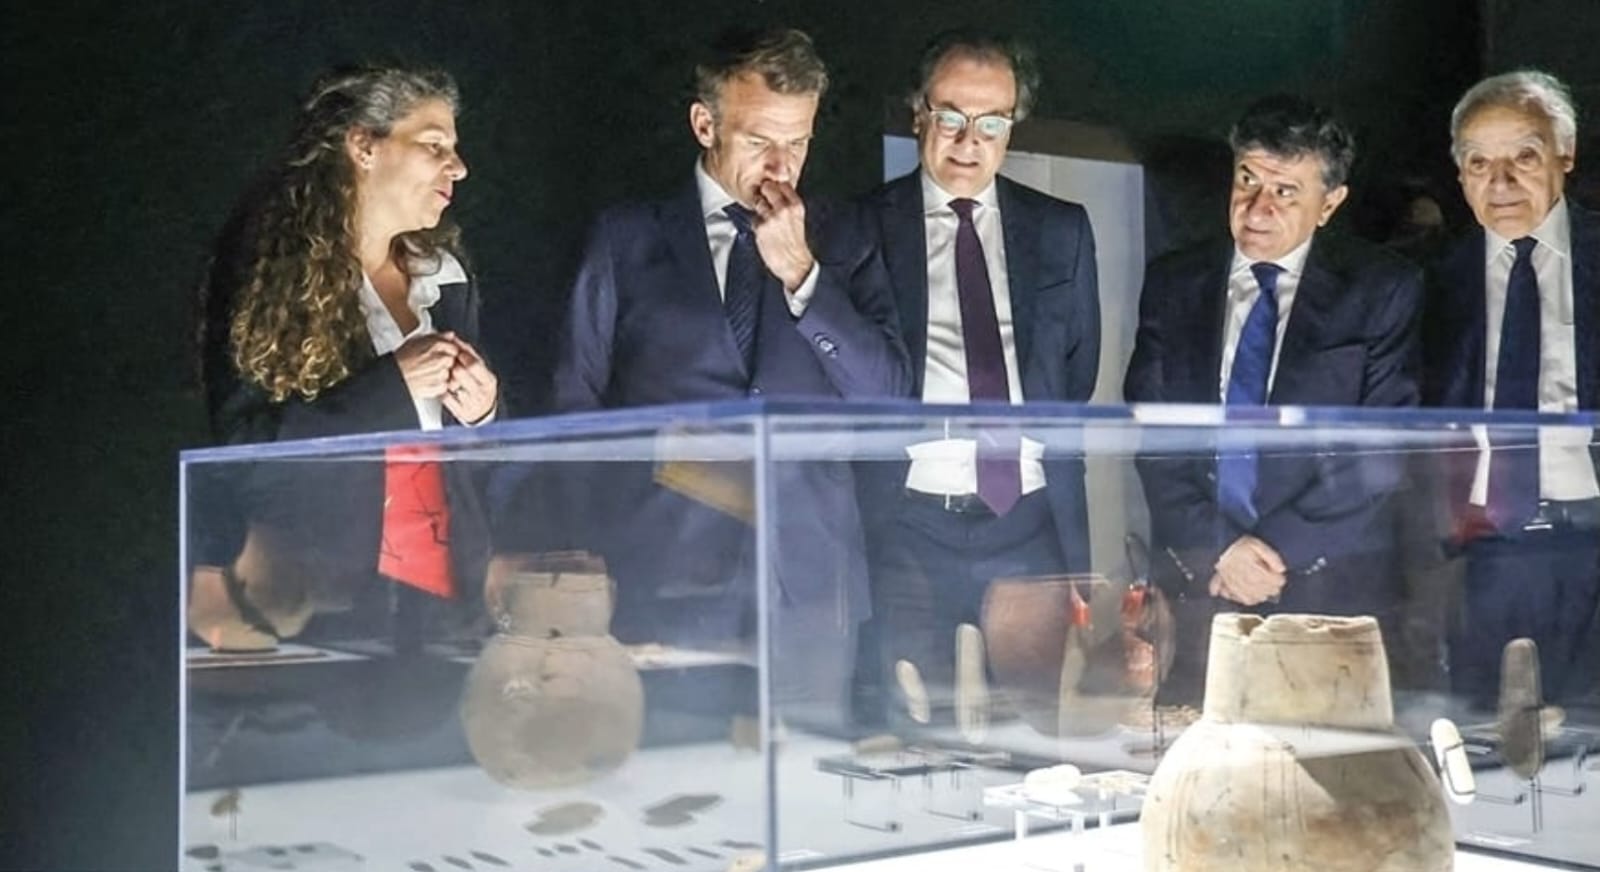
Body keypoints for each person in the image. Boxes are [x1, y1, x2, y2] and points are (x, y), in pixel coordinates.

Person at [548, 27, 911, 729]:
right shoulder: (626, 238)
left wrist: (803, 277)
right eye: (759, 140)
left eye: (798, 142)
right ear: (704, 124)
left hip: (809, 584)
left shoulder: (846, 238)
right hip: (661, 575)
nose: (781, 166)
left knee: (804, 781)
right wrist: (586, 556)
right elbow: (573, 404)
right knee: (672, 774)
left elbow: (890, 397)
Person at [1124, 95, 1423, 702]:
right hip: (1201, 590)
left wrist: (1271, 554)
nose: (1258, 207)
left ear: (1330, 203)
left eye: (1286, 191)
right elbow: (1152, 437)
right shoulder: (1175, 281)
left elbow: (1378, 451)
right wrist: (1223, 550)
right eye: (1247, 180)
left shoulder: (1382, 289)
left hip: (1326, 594)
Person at [189, 65, 497, 651]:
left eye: (454, 150)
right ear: (363, 146)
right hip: (328, 611)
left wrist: (485, 411)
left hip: (448, 608)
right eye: (434, 146)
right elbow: (244, 451)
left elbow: (476, 459)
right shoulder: (271, 272)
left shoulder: (446, 277)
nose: (458, 167)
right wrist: (391, 389)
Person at [853, 30, 1101, 719]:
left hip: (1027, 521)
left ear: (1012, 127)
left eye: (993, 122)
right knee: (915, 726)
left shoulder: (1061, 229)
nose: (970, 141)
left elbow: (1075, 373)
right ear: (918, 114)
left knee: (1031, 729)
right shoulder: (860, 225)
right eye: (951, 116)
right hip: (908, 521)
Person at [1423, 70, 1600, 707]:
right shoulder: (1429, 280)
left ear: (1565, 155)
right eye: (1479, 163)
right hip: (1484, 557)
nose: (1499, 183)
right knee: (1488, 739)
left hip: (1594, 537)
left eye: (1523, 157)